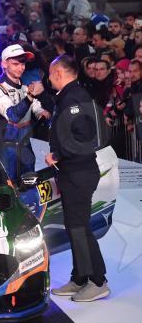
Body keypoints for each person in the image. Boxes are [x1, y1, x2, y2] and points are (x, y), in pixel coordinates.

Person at [46, 55, 110, 301]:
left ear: (58, 73)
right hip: (72, 172)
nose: (49, 78)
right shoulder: (69, 96)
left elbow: (85, 137)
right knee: (75, 227)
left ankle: (98, 281)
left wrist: (57, 155)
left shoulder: (74, 97)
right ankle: (80, 277)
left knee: (80, 228)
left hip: (79, 172)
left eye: (50, 73)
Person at [0, 44, 52, 181]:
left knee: (29, 181)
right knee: (7, 184)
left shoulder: (24, 86)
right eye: (16, 64)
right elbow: (12, 116)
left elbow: (35, 106)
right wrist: (31, 96)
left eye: (23, 64)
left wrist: (41, 111)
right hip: (4, 146)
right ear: (4, 64)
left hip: (25, 142)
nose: (21, 68)